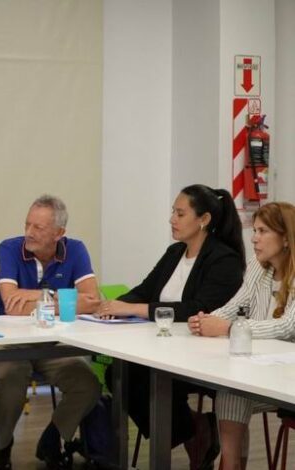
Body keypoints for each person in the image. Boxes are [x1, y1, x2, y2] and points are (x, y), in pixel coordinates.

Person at [100, 184, 245, 470]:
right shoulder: (175, 252)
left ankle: (188, 433)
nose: (172, 220)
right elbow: (144, 291)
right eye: (172, 213)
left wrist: (135, 309)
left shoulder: (224, 260)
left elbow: (197, 309)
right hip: (164, 347)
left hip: (201, 355)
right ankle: (194, 429)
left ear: (203, 220)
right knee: (119, 374)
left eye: (180, 214)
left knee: (142, 377)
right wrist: (110, 306)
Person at [0, 194, 102, 470]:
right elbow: (12, 305)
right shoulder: (9, 248)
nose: (29, 232)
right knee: (9, 377)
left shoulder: (75, 250)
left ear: (59, 233)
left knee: (88, 384)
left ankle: (53, 437)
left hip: (55, 345)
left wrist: (35, 296)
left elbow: (92, 300)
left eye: (38, 227)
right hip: (12, 345)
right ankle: (2, 447)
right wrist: (65, 299)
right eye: (27, 224)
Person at [189, 201, 295, 470]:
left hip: (289, 377)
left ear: (285, 238)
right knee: (231, 390)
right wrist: (206, 320)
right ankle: (231, 464)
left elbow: (287, 327)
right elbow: (233, 306)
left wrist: (229, 328)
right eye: (254, 230)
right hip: (261, 368)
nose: (254, 238)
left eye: (263, 231)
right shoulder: (259, 267)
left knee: (234, 391)